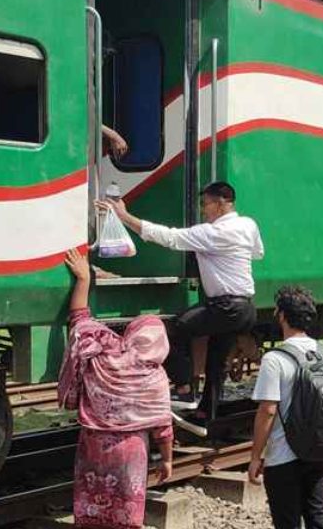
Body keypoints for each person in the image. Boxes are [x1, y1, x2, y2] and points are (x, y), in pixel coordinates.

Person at [58, 248, 173, 529]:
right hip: (130, 452)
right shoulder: (154, 377)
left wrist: (84, 279)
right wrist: (167, 459)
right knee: (124, 517)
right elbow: (163, 426)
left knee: (93, 505)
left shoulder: (101, 354)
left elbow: (79, 318)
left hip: (93, 444)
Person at [103, 181, 264, 422]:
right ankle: (205, 414)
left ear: (220, 205)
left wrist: (124, 216)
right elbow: (257, 253)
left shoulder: (211, 233)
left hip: (226, 307)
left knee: (172, 329)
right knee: (216, 363)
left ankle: (184, 386)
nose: (202, 210)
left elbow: (168, 237)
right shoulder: (248, 225)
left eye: (205, 204)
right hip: (246, 308)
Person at [247, 286, 323, 529]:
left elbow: (268, 410)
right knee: (318, 516)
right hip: (319, 450)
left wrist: (256, 456)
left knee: (288, 528)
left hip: (284, 457)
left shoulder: (275, 359)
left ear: (282, 316)